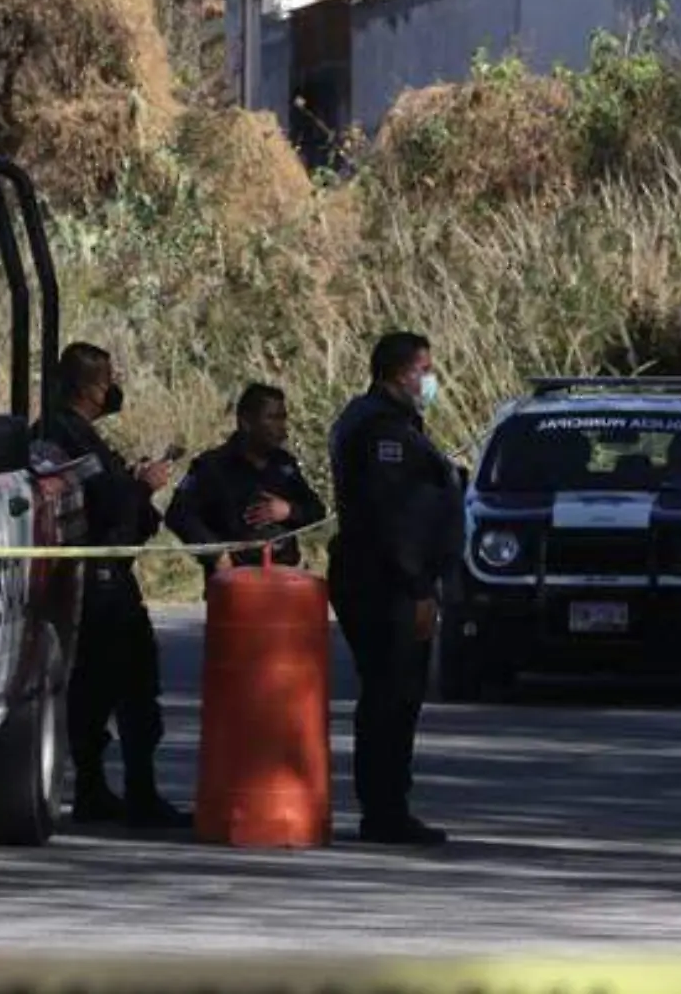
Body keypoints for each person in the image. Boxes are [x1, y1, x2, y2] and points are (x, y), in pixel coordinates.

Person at [39, 341, 187, 828]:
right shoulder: (63, 437)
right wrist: (141, 487)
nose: (113, 388)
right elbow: (106, 505)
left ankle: (113, 788)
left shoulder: (81, 436)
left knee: (115, 688)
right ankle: (110, 789)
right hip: (96, 581)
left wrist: (136, 489)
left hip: (106, 575)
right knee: (117, 685)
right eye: (107, 379)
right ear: (91, 387)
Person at [324, 331, 463, 846]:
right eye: (424, 369)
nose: (431, 380)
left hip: (383, 577)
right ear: (398, 372)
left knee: (395, 696)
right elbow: (393, 519)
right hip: (386, 584)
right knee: (391, 696)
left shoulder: (386, 422)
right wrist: (419, 586)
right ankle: (385, 810)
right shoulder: (381, 430)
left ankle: (387, 804)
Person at [165, 382, 328, 583]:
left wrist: (288, 511)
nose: (281, 426)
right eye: (272, 418)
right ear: (247, 422)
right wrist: (216, 554)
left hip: (282, 580)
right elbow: (178, 514)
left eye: (283, 417)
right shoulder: (212, 466)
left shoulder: (284, 465)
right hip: (233, 583)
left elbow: (317, 512)